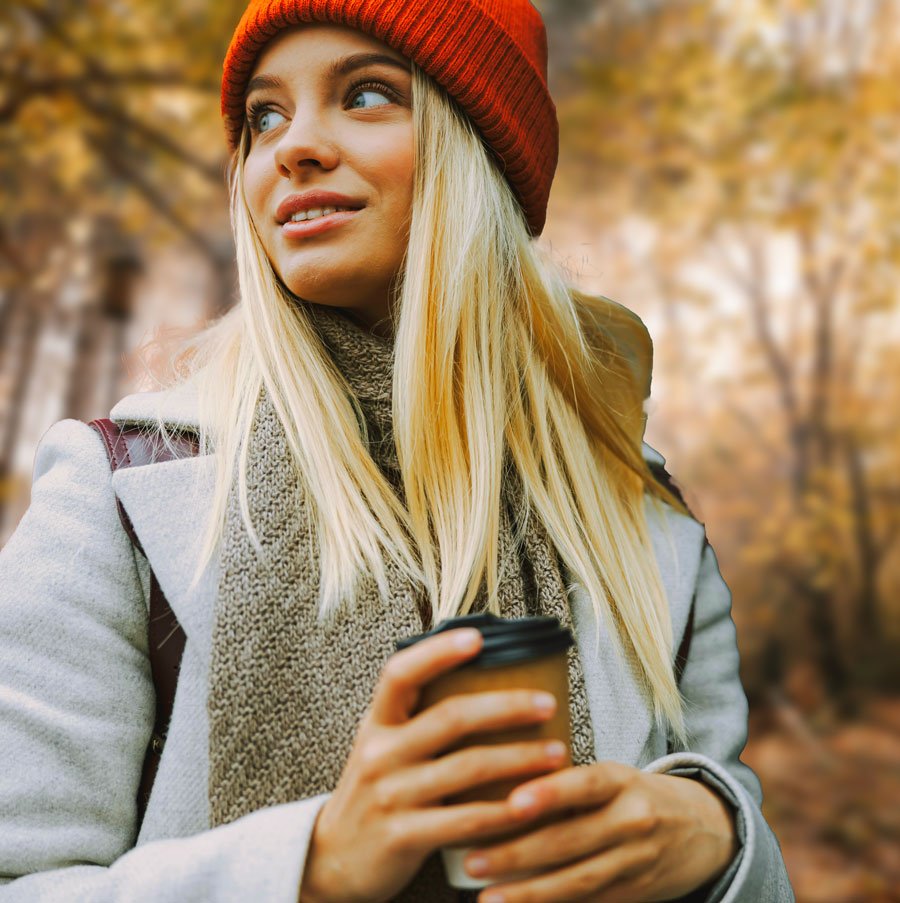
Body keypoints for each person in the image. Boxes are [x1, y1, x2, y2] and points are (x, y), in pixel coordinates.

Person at [0, 1, 795, 900]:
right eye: (266, 115)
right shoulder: (121, 492)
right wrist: (312, 867)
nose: (291, 146)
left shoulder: (641, 520)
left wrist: (719, 837)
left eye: (367, 94)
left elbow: (746, 854)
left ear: (480, 152)